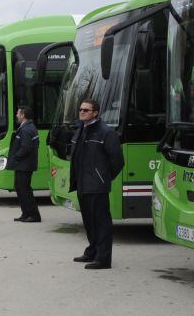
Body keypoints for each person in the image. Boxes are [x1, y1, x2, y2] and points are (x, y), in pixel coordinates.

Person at [69, 99, 124, 270]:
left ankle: (103, 259)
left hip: (97, 186)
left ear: (95, 113)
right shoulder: (81, 130)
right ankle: (92, 251)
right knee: (88, 221)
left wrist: (103, 178)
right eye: (81, 109)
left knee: (101, 223)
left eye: (86, 110)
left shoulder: (106, 133)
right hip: (82, 185)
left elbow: (117, 161)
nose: (82, 112)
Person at [7, 106, 41, 222]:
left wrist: (17, 156)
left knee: (24, 190)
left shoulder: (27, 129)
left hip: (24, 165)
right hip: (23, 164)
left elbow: (26, 147)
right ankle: (26, 213)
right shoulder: (27, 127)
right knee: (20, 188)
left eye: (18, 113)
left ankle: (33, 215)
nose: (16, 115)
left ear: (23, 115)